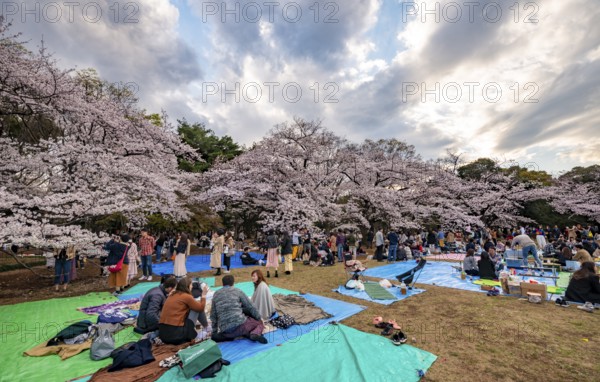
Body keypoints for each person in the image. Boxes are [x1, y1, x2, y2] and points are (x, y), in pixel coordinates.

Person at [210, 275, 267, 344]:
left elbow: (213, 315)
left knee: (219, 336)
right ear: (233, 283)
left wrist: (214, 331)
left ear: (223, 284)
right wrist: (259, 318)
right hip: (241, 325)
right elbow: (250, 306)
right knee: (259, 324)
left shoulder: (216, 294)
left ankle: (229, 336)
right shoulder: (237, 291)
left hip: (225, 330)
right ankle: (254, 334)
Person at [158, 277, 208, 345]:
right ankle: (206, 327)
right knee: (197, 308)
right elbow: (201, 308)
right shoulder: (186, 296)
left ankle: (206, 327)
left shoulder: (171, 295)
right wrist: (204, 295)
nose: (192, 286)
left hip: (163, 335)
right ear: (187, 286)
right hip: (177, 336)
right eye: (191, 285)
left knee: (196, 306)